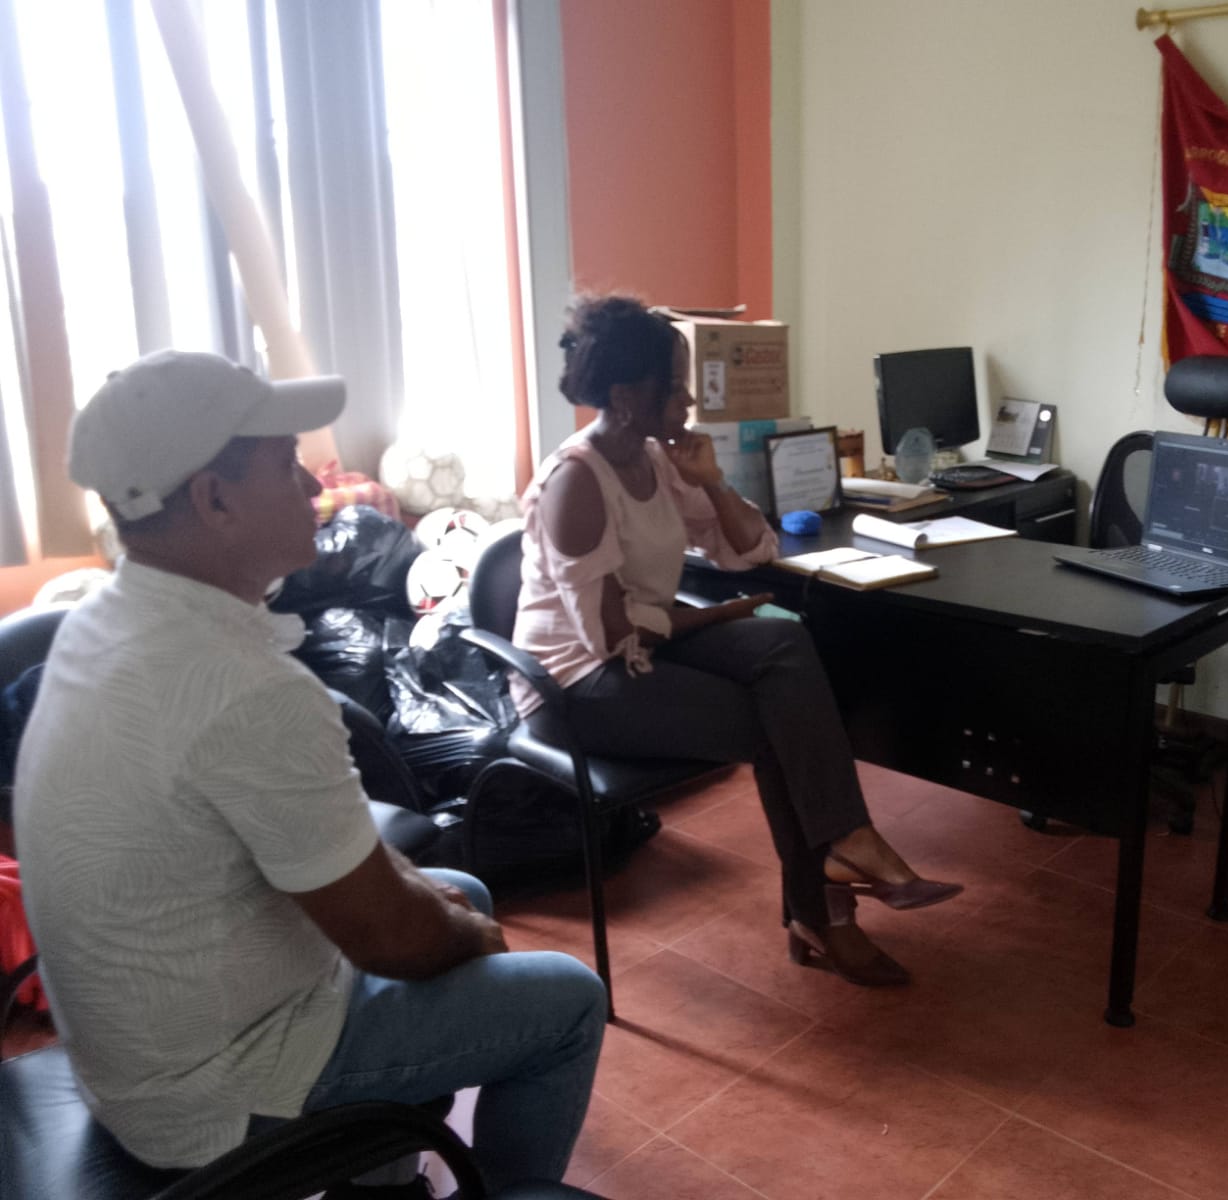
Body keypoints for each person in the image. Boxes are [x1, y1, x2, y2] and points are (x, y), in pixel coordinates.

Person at [14, 350, 606, 1198]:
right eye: (284, 463)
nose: (312, 486)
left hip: (140, 1049)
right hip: (211, 1091)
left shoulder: (103, 619)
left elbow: (337, 860)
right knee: (566, 998)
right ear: (214, 501)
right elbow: (394, 942)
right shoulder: (244, 687)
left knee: (461, 890)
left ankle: (383, 1182)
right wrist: (463, 936)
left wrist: (439, 910)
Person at [514, 296, 963, 988]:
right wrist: (718, 617)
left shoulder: (657, 460)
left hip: (644, 643)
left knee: (784, 646)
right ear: (628, 396)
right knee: (779, 721)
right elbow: (608, 635)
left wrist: (712, 480)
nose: (690, 399)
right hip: (573, 683)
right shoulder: (576, 482)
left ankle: (844, 848)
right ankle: (826, 911)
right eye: (675, 384)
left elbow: (753, 547)